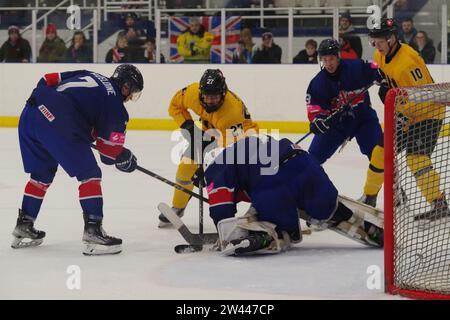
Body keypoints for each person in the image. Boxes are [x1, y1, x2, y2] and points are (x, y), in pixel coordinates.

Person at [12, 64, 144, 255]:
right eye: (132, 92)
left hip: (30, 113)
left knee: (41, 175)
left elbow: (48, 79)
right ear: (126, 86)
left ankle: (24, 224)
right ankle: (93, 229)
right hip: (58, 122)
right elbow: (107, 155)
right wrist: (124, 156)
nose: (130, 97)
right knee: (90, 174)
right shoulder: (116, 106)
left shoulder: (90, 73)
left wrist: (55, 113)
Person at [202, 134, 384, 256]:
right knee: (329, 210)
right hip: (306, 165)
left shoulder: (217, 165)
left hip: (273, 183)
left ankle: (265, 235)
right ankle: (374, 231)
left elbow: (221, 209)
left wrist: (224, 234)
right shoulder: (247, 144)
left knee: (266, 221)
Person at [369, 18, 448, 220]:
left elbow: (426, 97)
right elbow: (384, 72)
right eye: (374, 41)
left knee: (416, 159)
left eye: (380, 41)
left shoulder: (408, 62)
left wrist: (399, 107)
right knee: (380, 151)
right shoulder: (380, 53)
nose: (376, 46)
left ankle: (439, 204)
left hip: (428, 113)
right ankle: (369, 198)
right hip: (405, 113)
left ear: (392, 39)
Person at [159, 69, 259, 227]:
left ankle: (259, 207)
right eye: (207, 96)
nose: (210, 101)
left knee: (237, 178)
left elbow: (228, 152)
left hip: (242, 141)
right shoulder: (192, 93)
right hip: (210, 134)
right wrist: (189, 127)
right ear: (200, 93)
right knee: (186, 166)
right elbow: (175, 106)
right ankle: (178, 207)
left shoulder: (231, 113)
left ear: (223, 94)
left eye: (215, 97)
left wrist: (207, 171)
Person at [306, 39, 384, 207]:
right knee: (311, 160)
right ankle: (310, 195)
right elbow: (314, 108)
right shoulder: (318, 83)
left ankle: (394, 190)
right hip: (336, 126)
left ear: (338, 57)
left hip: (363, 120)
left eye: (331, 59)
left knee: (380, 154)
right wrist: (318, 120)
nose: (328, 63)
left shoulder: (356, 67)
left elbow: (378, 67)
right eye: (324, 60)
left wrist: (381, 75)